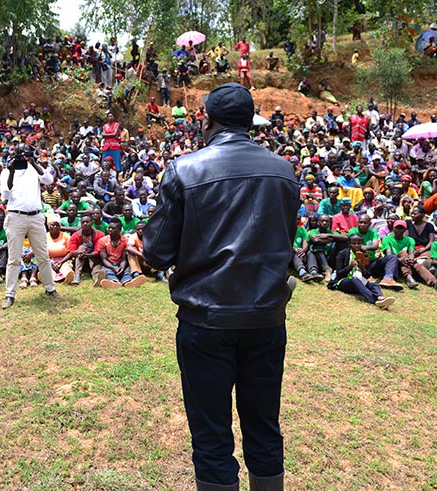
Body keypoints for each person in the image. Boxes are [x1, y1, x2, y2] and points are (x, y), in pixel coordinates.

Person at [144, 83, 298, 491]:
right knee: (265, 427)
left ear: (206, 120)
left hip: (205, 321)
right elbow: (285, 243)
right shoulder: (284, 171)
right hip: (266, 319)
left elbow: (156, 253)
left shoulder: (184, 170)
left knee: (212, 436)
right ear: (251, 122)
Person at [0, 145, 61, 309]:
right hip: (15, 216)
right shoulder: (7, 171)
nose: (21, 158)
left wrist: (33, 163)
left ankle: (50, 288)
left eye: (24, 155)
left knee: (42, 255)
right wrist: (12, 171)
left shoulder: (35, 168)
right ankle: (9, 295)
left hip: (35, 216)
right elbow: (5, 194)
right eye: (17, 155)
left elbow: (49, 180)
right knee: (13, 258)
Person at [328, 233, 397, 309]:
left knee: (374, 285)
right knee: (355, 280)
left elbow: (367, 275)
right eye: (354, 243)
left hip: (360, 281)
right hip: (344, 281)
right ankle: (374, 300)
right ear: (349, 243)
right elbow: (339, 274)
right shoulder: (342, 254)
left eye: (359, 243)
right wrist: (350, 267)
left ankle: (381, 298)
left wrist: (362, 269)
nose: (356, 245)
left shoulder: (364, 255)